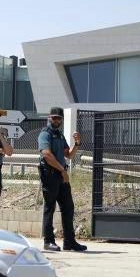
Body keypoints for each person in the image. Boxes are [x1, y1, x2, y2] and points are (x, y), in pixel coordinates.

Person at [38, 107, 87, 252]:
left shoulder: (59, 135)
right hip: (50, 174)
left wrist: (77, 144)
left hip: (60, 174)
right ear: (49, 117)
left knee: (68, 207)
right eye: (54, 118)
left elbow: (69, 155)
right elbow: (46, 154)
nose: (57, 120)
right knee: (50, 207)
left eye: (59, 118)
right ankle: (48, 241)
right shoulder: (45, 134)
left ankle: (69, 242)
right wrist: (62, 170)